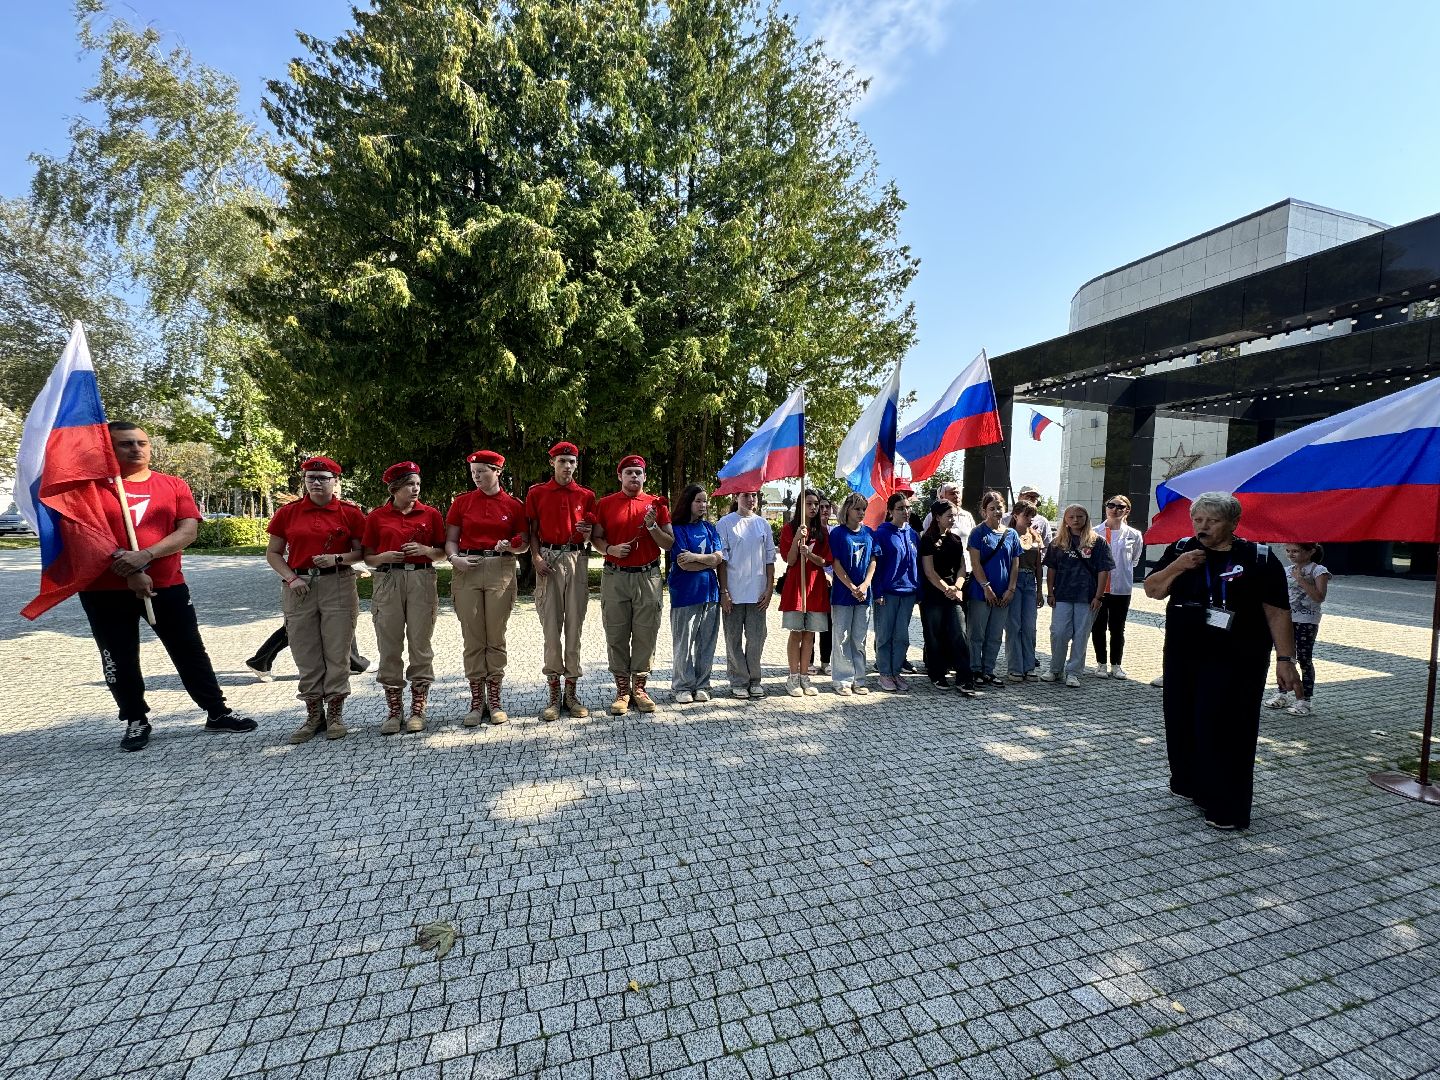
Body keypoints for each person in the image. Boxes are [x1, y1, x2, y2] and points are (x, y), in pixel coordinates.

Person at [77, 422, 255, 752]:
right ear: (108, 449)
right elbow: (83, 535)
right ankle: (135, 718)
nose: (137, 449)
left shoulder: (172, 485)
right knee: (118, 655)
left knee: (189, 650)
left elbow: (187, 531)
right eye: (126, 444)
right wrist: (128, 568)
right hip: (104, 590)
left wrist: (144, 556)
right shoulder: (88, 490)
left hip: (167, 585)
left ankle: (216, 712)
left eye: (142, 443)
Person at [1144, 492, 1299, 831]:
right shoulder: (1181, 550)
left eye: (1212, 521)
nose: (1203, 526)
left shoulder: (1258, 558)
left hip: (1237, 657)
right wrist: (1178, 565)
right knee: (1183, 718)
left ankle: (1225, 804)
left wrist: (1286, 658)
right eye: (1198, 520)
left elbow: (1277, 611)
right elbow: (1153, 590)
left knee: (1226, 727)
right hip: (1185, 653)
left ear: (1233, 523)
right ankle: (1189, 783)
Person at [266, 455, 367, 743]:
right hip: (299, 586)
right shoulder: (289, 513)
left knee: (337, 650)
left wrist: (337, 557)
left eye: (323, 478)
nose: (316, 482)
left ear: (336, 481)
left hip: (338, 582)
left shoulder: (350, 513)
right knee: (305, 650)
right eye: (311, 478)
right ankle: (313, 713)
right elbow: (273, 553)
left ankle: (335, 712)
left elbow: (362, 553)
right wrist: (291, 577)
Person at [446, 450, 528, 727]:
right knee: (472, 636)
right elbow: (451, 541)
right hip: (467, 568)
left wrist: (511, 545)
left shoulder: (514, 505)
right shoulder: (462, 502)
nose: (477, 477)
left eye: (482, 471)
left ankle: (495, 700)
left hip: (499, 568)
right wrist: (455, 559)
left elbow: (524, 543)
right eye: (473, 472)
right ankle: (475, 701)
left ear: (497, 472)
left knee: (495, 635)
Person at [362, 461, 446, 734]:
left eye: (418, 484)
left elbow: (443, 552)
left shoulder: (430, 514)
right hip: (388, 579)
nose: (415, 489)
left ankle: (418, 709)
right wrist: (383, 557)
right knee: (389, 643)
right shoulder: (376, 517)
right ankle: (393, 710)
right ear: (395, 487)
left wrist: (425, 548)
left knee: (420, 643)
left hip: (422, 577)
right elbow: (367, 556)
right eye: (410, 484)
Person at [592, 455, 674, 714]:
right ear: (620, 476)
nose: (634, 477)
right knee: (616, 632)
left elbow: (669, 543)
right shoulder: (605, 504)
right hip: (615, 576)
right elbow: (596, 538)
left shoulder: (656, 505)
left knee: (645, 632)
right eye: (629, 472)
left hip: (647, 576)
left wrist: (652, 527)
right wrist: (610, 549)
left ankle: (639, 688)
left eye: (638, 473)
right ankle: (621, 691)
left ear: (645, 477)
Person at [526, 441, 597, 721]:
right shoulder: (537, 493)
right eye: (562, 461)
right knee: (551, 627)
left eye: (571, 461)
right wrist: (535, 558)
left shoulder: (586, 495)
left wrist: (588, 531)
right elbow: (532, 531)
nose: (567, 466)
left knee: (575, 626)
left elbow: (594, 533)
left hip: (577, 559)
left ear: (576, 465)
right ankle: (553, 692)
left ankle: (572, 691)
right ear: (552, 463)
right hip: (548, 559)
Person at [1042, 504, 1113, 687]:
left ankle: (1073, 672)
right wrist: (1050, 592)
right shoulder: (1057, 542)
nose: (1075, 520)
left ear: (1086, 518)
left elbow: (1103, 570)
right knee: (1058, 633)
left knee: (1081, 635)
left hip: (1087, 596)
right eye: (1071, 516)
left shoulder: (1097, 542)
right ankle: (1055, 669)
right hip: (1063, 594)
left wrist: (1099, 596)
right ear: (1065, 519)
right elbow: (1051, 569)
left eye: (1080, 516)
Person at [717, 489, 775, 699]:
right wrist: (724, 591)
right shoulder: (725, 523)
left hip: (757, 592)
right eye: (745, 496)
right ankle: (739, 679)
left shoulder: (763, 524)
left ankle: (754, 679)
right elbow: (721, 561)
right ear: (736, 498)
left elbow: (770, 559)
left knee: (756, 638)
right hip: (733, 591)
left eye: (754, 496)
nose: (751, 500)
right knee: (733, 638)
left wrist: (769, 589)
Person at [668, 484, 723, 703]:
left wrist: (698, 557)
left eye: (705, 501)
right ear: (688, 503)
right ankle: (682, 685)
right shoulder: (677, 529)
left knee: (706, 642)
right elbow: (684, 565)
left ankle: (703, 684)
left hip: (710, 593)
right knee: (684, 642)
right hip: (685, 594)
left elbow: (719, 557)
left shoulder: (710, 529)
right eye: (698, 501)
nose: (703, 505)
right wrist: (708, 561)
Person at [918, 500, 977, 696]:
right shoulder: (927, 539)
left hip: (954, 593)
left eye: (954, 516)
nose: (952, 519)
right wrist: (946, 589)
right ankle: (937, 673)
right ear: (937, 517)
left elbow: (962, 566)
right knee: (934, 635)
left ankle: (964, 676)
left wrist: (957, 586)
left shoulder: (956, 540)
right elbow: (929, 571)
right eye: (948, 516)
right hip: (934, 594)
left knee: (959, 633)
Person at [1266, 543, 1330, 717]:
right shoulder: (1287, 570)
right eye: (1288, 551)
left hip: (1307, 621)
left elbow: (1319, 597)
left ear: (1310, 552)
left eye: (1295, 551)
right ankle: (1282, 693)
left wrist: (1301, 579)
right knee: (1285, 657)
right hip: (1287, 619)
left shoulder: (1318, 571)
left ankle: (1305, 700)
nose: (1291, 554)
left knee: (1304, 659)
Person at [966, 490, 1021, 686]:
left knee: (995, 634)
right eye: (992, 508)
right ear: (984, 511)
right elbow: (975, 563)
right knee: (977, 634)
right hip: (980, 592)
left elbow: (1015, 564)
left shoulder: (1012, 534)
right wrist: (986, 587)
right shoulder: (978, 533)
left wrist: (1011, 589)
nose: (997, 511)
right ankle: (974, 670)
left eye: (999, 507)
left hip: (1004, 593)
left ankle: (988, 670)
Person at [780, 489, 830, 697]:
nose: (813, 508)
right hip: (796, 588)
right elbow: (789, 560)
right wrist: (796, 541)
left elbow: (826, 561)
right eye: (809, 504)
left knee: (810, 634)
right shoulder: (789, 529)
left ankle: (804, 677)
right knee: (796, 632)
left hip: (815, 588)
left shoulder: (823, 531)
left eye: (816, 504)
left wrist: (810, 554)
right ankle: (792, 678)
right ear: (800, 505)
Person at [1090, 494, 1145, 680]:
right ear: (1106, 508)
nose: (1115, 509)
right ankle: (1101, 664)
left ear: (1126, 511)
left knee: (1117, 627)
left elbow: (1134, 560)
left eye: (1120, 507)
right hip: (1099, 588)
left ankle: (1116, 665)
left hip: (1122, 589)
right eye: (1111, 505)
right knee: (1098, 627)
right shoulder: (1094, 532)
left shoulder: (1134, 534)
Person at [829, 492, 878, 696]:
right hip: (843, 594)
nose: (861, 513)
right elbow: (836, 564)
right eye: (857, 509)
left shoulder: (868, 533)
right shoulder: (838, 534)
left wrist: (865, 584)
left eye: (863, 509)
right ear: (847, 510)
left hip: (864, 595)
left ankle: (859, 678)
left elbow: (873, 561)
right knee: (841, 637)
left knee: (859, 638)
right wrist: (852, 587)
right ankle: (842, 679)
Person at [872, 491, 919, 692]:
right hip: (887, 592)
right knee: (885, 635)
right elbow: (875, 565)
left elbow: (917, 565)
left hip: (908, 592)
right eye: (900, 508)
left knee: (902, 636)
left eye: (908, 507)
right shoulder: (881, 533)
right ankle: (884, 672)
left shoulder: (913, 534)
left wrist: (919, 590)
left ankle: (896, 671)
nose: (905, 512)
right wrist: (878, 591)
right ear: (890, 511)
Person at [244, 624, 368, 682]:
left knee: (340, 619)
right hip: (307, 580)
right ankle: (355, 662)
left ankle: (355, 661)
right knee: (294, 626)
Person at [1005, 499, 1044, 683]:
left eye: (1032, 516)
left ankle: (1029, 666)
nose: (1030, 519)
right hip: (1014, 580)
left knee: (1029, 626)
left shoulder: (1036, 536)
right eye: (1026, 515)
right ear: (1015, 515)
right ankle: (1014, 667)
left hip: (1030, 583)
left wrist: (1039, 591)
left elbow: (1038, 565)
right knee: (1014, 626)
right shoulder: (1008, 535)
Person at [814, 497, 835, 676]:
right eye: (821, 507)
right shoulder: (812, 530)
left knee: (828, 624)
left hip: (831, 583)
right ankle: (809, 661)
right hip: (814, 582)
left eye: (827, 507)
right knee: (812, 623)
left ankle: (826, 661)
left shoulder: (834, 531)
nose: (824, 510)